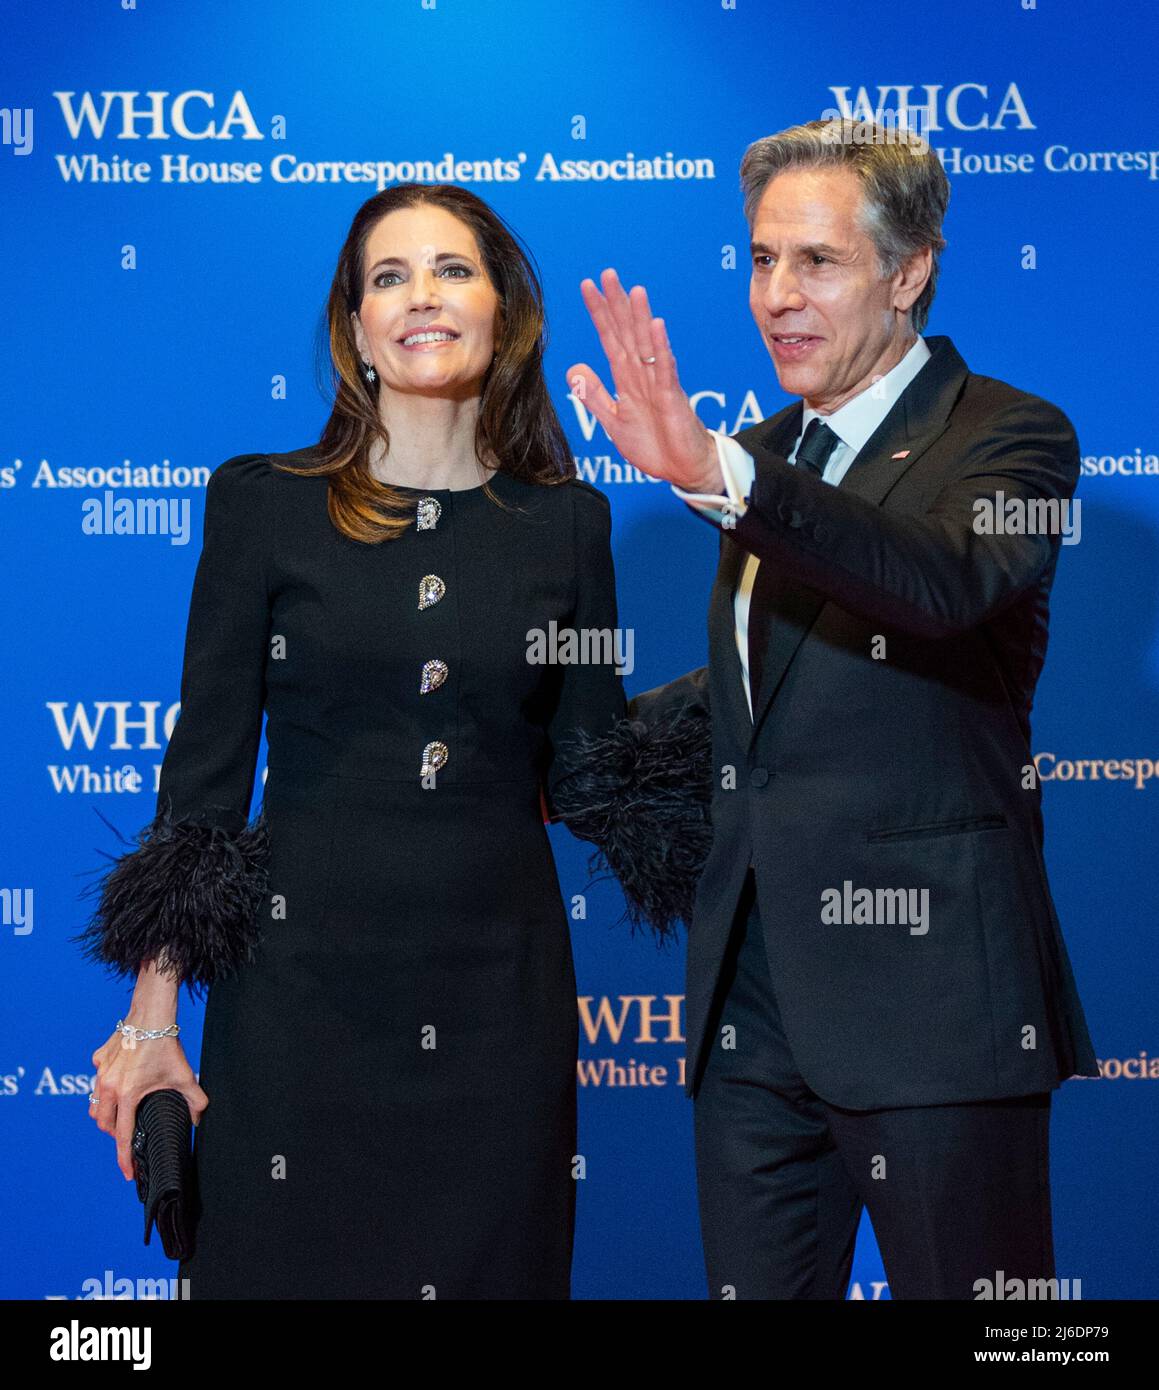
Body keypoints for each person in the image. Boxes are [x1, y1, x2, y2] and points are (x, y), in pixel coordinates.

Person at [560, 118, 1100, 1300]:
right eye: (760, 260)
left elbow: (936, 583)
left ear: (908, 273)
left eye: (817, 262)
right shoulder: (759, 457)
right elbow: (770, 692)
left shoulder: (1008, 436)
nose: (777, 297)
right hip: (752, 1009)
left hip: (934, 1010)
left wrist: (718, 477)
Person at [76, 183, 632, 1299]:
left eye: (452, 270)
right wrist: (148, 1021)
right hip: (298, 1001)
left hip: (497, 1011)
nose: (422, 296)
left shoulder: (568, 525)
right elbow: (205, 787)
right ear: (354, 327)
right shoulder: (263, 505)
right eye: (390, 276)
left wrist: (765, 623)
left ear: (503, 309)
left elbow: (594, 774)